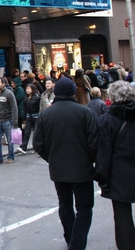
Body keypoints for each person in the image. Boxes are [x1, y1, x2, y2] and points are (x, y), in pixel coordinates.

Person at [95, 81, 135, 250]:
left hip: (120, 177)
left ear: (112, 98)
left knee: (122, 215)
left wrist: (102, 178)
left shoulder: (107, 121)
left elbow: (103, 153)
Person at [34, 76, 98, 250]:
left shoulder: (45, 114)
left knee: (65, 205)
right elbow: (94, 142)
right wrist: (90, 159)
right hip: (82, 168)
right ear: (72, 93)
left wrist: (52, 157)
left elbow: (38, 144)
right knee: (84, 207)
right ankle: (76, 242)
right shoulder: (84, 112)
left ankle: (71, 237)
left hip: (59, 168)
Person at [0, 77, 18, 165]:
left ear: (3, 84)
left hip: (8, 120)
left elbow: (14, 108)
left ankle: (11, 156)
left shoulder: (9, 94)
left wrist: (15, 121)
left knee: (10, 140)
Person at [19, 83, 40, 154]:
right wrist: (23, 119)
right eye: (26, 89)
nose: (27, 90)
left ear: (32, 89)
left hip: (36, 117)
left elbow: (39, 108)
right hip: (28, 117)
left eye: (28, 89)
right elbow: (25, 109)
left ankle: (37, 147)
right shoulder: (26, 98)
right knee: (26, 132)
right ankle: (23, 147)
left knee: (36, 133)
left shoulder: (37, 97)